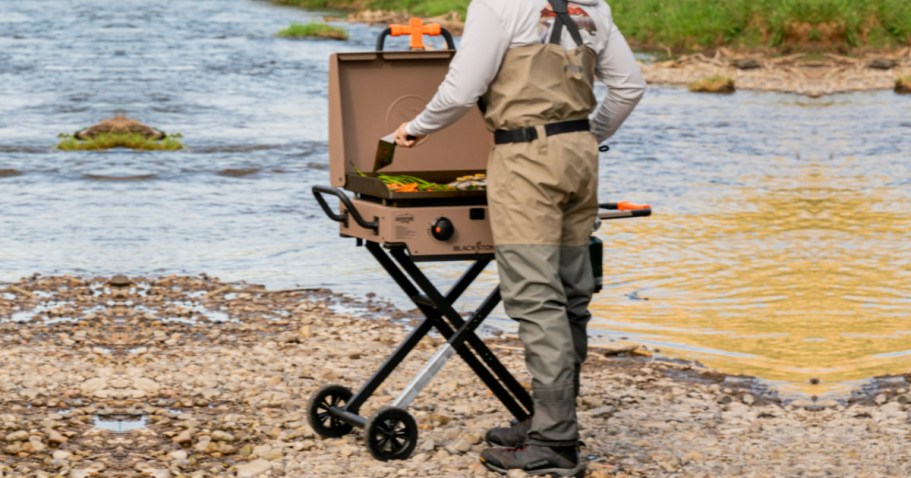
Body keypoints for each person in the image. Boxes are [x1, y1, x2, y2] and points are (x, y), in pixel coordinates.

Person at [394, 0, 645, 475]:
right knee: (572, 295)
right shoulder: (595, 7)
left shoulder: (496, 4)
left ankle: (555, 440)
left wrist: (416, 128)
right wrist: (586, 135)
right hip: (581, 160)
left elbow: (462, 89)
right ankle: (552, 419)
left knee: (535, 296)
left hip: (525, 160)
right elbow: (629, 88)